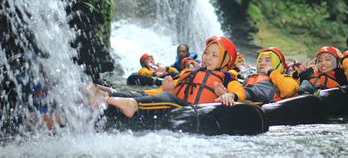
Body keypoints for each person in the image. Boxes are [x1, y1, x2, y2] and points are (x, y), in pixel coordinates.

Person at [105, 36, 246, 118]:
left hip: (197, 112)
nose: (207, 57)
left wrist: (230, 96)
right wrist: (169, 88)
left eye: (214, 55)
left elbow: (240, 91)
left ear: (226, 61)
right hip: (178, 108)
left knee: (169, 99)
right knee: (163, 94)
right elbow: (156, 92)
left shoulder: (227, 78)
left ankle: (132, 105)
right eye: (206, 52)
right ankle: (109, 94)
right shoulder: (189, 74)